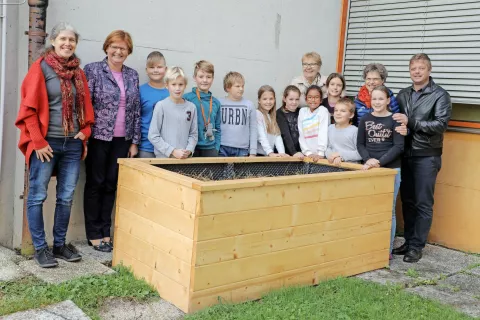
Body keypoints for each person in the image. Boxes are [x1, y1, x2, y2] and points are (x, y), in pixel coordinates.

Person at [15, 22, 94, 267]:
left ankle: (59, 245)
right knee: (37, 196)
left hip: (71, 145)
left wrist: (86, 131)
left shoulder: (78, 73)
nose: (67, 43)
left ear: (76, 43)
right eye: (63, 39)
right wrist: (37, 141)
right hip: (45, 145)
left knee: (66, 197)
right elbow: (28, 109)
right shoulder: (40, 68)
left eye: (71, 40)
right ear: (53, 40)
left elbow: (86, 108)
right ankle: (41, 249)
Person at [83, 30, 141, 252]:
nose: (118, 51)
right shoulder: (93, 70)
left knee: (111, 184)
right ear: (107, 47)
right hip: (98, 137)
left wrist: (134, 141)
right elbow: (86, 106)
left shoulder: (132, 75)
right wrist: (85, 136)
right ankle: (93, 233)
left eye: (123, 48)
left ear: (128, 52)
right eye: (114, 46)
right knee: (95, 184)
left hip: (122, 139)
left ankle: (106, 231)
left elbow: (135, 110)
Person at [392, 53, 452, 263]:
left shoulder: (440, 95)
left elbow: (440, 125)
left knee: (423, 203)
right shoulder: (403, 94)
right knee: (407, 201)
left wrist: (412, 123)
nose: (416, 72)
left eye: (421, 68)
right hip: (405, 154)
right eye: (413, 69)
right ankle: (408, 241)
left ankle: (417, 246)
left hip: (426, 156)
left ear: (429, 70)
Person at [357, 85, 404, 260]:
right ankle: (368, 246)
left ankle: (387, 249)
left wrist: (379, 162)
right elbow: (360, 144)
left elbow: (399, 146)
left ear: (388, 100)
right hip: (368, 168)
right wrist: (368, 159)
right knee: (369, 208)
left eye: (380, 98)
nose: (377, 102)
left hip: (390, 170)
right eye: (374, 98)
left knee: (388, 210)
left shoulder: (395, 120)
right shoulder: (365, 119)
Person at [148, 67, 198, 158]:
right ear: (167, 85)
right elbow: (153, 135)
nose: (177, 88)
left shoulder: (191, 107)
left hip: (184, 160)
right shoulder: (161, 106)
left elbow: (193, 134)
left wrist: (189, 150)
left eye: (180, 84)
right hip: (164, 160)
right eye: (173, 84)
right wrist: (172, 151)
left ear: (185, 85)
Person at [184, 60, 221, 157]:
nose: (205, 80)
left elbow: (218, 128)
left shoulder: (216, 103)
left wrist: (216, 148)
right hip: (191, 148)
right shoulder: (186, 98)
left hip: (210, 148)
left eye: (208, 77)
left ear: (212, 79)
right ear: (194, 78)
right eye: (201, 77)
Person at [218, 72, 257, 157]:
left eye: (242, 86)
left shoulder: (249, 105)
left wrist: (253, 152)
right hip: (222, 147)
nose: (241, 89)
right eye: (237, 86)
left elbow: (253, 128)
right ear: (228, 87)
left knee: (241, 171)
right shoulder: (219, 103)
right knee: (223, 170)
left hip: (242, 149)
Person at [138, 51, 169, 158]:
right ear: (146, 70)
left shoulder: (173, 92)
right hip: (146, 147)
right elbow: (135, 120)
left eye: (159, 67)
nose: (155, 70)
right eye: (151, 67)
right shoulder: (140, 91)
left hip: (168, 147)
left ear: (166, 69)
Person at [326, 98, 362, 165]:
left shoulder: (355, 131)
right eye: (336, 110)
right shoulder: (330, 128)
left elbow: (360, 153)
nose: (338, 113)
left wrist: (341, 156)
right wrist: (331, 156)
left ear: (351, 115)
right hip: (332, 167)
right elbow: (328, 147)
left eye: (343, 111)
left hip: (351, 169)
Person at [298, 85, 329, 161]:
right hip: (307, 155)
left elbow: (323, 131)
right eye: (310, 97)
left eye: (316, 97)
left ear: (321, 100)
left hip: (321, 155)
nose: (313, 100)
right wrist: (307, 152)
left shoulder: (323, 111)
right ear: (306, 99)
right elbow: (301, 134)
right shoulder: (302, 111)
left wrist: (320, 153)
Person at [256, 85, 288, 157]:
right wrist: (270, 152)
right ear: (259, 100)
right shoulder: (257, 114)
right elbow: (261, 136)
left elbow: (277, 136)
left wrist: (282, 153)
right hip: (258, 156)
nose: (268, 102)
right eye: (264, 99)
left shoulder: (271, 116)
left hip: (268, 156)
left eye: (271, 99)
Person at [277, 85, 303, 158]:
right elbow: (285, 134)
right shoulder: (280, 114)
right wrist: (293, 152)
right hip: (286, 154)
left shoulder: (301, 112)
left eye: (297, 99)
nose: (294, 102)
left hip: (301, 153)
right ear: (284, 99)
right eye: (291, 99)